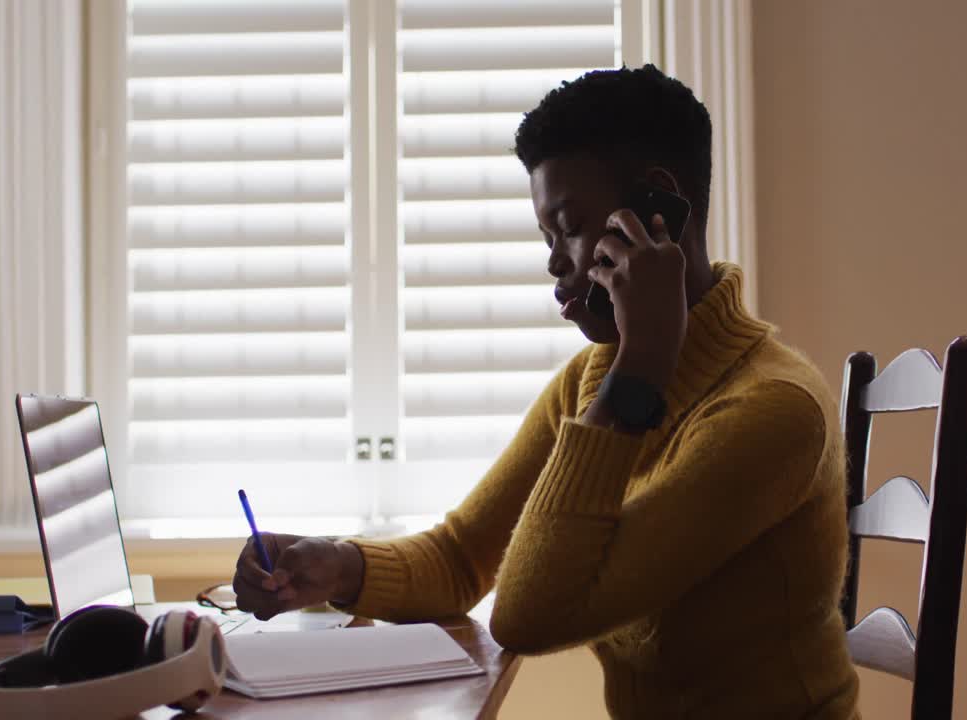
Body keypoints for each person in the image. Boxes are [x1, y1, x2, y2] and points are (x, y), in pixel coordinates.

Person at [233, 64, 860, 719]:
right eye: (547, 237)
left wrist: (642, 367)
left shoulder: (771, 412)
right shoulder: (594, 381)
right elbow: (461, 558)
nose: (555, 263)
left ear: (659, 214)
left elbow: (526, 616)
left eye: (569, 227)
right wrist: (337, 566)